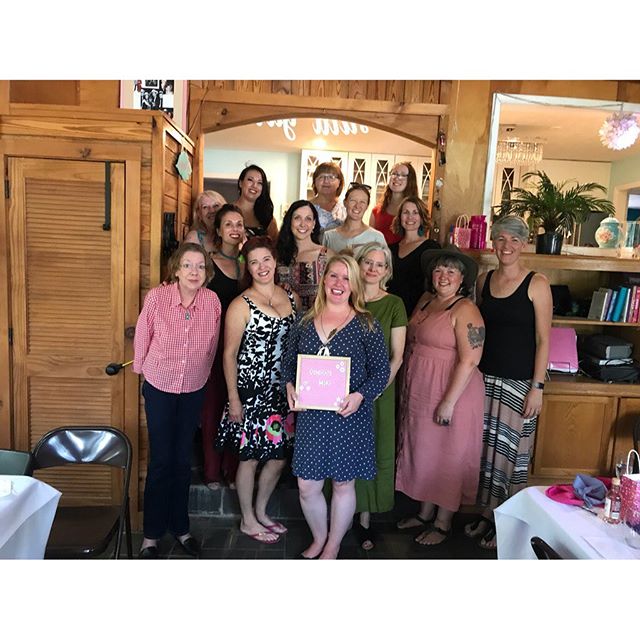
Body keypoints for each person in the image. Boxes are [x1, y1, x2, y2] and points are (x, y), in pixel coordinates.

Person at [283, 254, 390, 559]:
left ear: (354, 284)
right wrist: (289, 387)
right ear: (324, 280)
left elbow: (381, 371)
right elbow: (288, 365)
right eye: (333, 276)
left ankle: (333, 544)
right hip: (312, 418)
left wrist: (360, 396)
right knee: (307, 485)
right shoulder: (304, 322)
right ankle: (319, 537)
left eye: (346, 278)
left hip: (348, 416)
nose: (338, 283)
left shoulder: (366, 324)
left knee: (343, 484)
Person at [464, 215, 552, 550]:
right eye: (500, 238)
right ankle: (489, 513)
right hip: (485, 379)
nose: (506, 246)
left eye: (514, 240)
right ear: (492, 242)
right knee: (487, 452)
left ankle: (510, 522)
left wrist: (538, 387)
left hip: (520, 384)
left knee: (513, 456)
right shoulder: (484, 280)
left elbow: (544, 339)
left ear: (524, 244)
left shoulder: (536, 283)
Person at [133, 242, 222, 558]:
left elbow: (212, 343)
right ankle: (152, 536)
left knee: (182, 460)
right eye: (187, 265)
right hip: (159, 385)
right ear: (175, 269)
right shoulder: (158, 297)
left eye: (200, 266)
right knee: (161, 460)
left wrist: (203, 373)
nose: (194, 272)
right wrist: (140, 370)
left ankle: (181, 528)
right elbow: (143, 334)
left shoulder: (212, 301)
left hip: (193, 387)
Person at [395, 247, 485, 545]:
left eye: (451, 271)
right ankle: (424, 513)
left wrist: (448, 401)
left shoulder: (465, 309)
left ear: (462, 279)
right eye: (438, 270)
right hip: (422, 385)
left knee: (447, 453)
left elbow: (470, 360)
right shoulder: (426, 301)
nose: (443, 276)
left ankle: (443, 523)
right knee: (425, 450)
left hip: (452, 389)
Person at [216, 236, 299, 544]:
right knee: (249, 457)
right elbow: (228, 355)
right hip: (250, 391)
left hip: (283, 390)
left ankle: (261, 511)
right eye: (254, 262)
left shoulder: (291, 298)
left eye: (266, 260)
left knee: (278, 456)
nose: (261, 267)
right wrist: (233, 399)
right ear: (247, 268)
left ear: (275, 261)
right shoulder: (241, 304)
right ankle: (248, 520)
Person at [352, 242, 407, 550]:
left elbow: (397, 356)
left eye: (379, 264)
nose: (372, 269)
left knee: (371, 451)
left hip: (379, 392)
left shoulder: (394, 304)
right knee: (342, 448)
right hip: (343, 390)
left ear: (387, 270)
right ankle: (339, 513)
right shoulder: (346, 296)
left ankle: (364, 519)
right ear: (358, 265)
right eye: (367, 262)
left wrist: (374, 391)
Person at [199, 204, 246, 490]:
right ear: (218, 230)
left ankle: (233, 469)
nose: (235, 229)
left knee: (237, 409)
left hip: (244, 347)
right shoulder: (207, 263)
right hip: (214, 346)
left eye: (239, 223)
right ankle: (212, 471)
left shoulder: (247, 263)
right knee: (213, 408)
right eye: (228, 224)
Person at [276, 199, 335, 313]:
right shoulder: (277, 255)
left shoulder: (327, 255)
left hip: (315, 324)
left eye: (308, 219)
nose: (303, 224)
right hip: (283, 323)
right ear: (290, 222)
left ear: (314, 224)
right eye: (297, 218)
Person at [388, 196, 441, 316]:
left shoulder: (431, 248)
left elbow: (433, 288)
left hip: (417, 313)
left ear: (422, 218)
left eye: (415, 212)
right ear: (400, 217)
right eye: (405, 212)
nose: (410, 217)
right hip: (391, 311)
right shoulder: (390, 249)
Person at [322, 183, 387, 254]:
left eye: (362, 202)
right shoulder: (329, 236)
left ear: (367, 206)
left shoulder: (376, 237)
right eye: (353, 200)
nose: (357, 206)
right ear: (345, 202)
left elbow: (385, 263)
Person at [370, 162, 420, 245]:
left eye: (403, 175)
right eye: (394, 174)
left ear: (410, 180)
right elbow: (370, 242)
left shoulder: (417, 212)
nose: (397, 178)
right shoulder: (376, 211)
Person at [233, 164, 278, 242]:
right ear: (240, 183)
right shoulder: (226, 211)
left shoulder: (267, 217)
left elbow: (275, 246)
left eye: (259, 183)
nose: (254, 185)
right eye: (250, 180)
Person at [184, 190, 227, 256]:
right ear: (199, 214)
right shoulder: (194, 237)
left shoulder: (233, 233)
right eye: (205, 207)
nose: (212, 210)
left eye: (216, 205)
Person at [309, 161, 347, 233]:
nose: (326, 181)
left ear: (339, 182)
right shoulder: (306, 207)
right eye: (321, 177)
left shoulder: (346, 208)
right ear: (314, 182)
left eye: (331, 177)